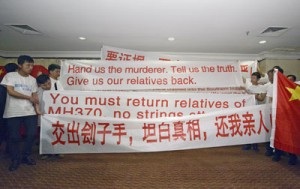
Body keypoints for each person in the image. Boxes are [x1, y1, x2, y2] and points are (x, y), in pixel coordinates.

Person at [1, 55, 39, 171]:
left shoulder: (32, 80)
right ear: (20, 65)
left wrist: (37, 110)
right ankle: (15, 159)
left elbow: (35, 97)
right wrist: (28, 97)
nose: (31, 67)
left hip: (30, 112)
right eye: (28, 65)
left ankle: (26, 156)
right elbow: (11, 91)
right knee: (14, 137)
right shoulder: (10, 76)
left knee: (31, 134)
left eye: (32, 65)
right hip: (13, 112)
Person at [243, 72, 266, 152]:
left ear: (258, 79)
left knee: (256, 127)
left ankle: (255, 144)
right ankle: (247, 144)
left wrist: (253, 95)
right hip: (249, 110)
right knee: (248, 126)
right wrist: (253, 94)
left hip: (258, 110)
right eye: (251, 78)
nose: (252, 79)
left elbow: (261, 98)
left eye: (254, 78)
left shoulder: (262, 87)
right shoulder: (249, 87)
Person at [0, 63, 18, 155]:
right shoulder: (15, 82)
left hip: (4, 111)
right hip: (9, 111)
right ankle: (9, 151)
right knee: (10, 132)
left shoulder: (2, 80)